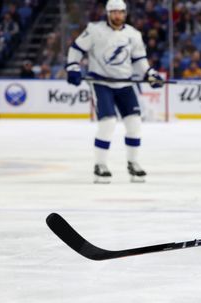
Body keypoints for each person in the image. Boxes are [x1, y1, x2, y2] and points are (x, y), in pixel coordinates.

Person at [65, 0, 164, 183]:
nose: (118, 16)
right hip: (101, 83)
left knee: (134, 124)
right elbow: (76, 49)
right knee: (108, 123)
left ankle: (133, 163)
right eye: (114, 12)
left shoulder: (133, 34)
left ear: (125, 13)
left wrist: (150, 74)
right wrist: (72, 67)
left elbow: (139, 60)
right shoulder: (95, 30)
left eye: (121, 12)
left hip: (125, 84)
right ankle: (100, 165)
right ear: (108, 13)